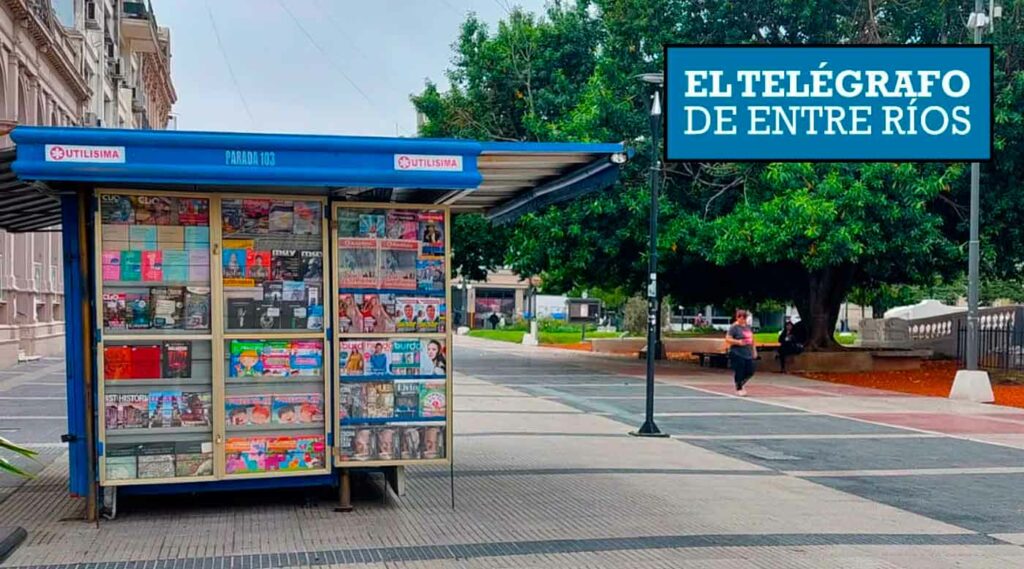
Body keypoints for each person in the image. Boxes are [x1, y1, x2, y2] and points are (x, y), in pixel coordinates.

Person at [724, 309, 757, 396]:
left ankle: (740, 383)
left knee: (750, 370)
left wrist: (754, 350)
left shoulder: (748, 327)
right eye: (740, 317)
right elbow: (727, 338)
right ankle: (739, 388)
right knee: (740, 370)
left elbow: (752, 339)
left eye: (744, 317)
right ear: (737, 317)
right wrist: (737, 342)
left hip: (748, 352)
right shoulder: (734, 327)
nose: (742, 319)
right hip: (737, 352)